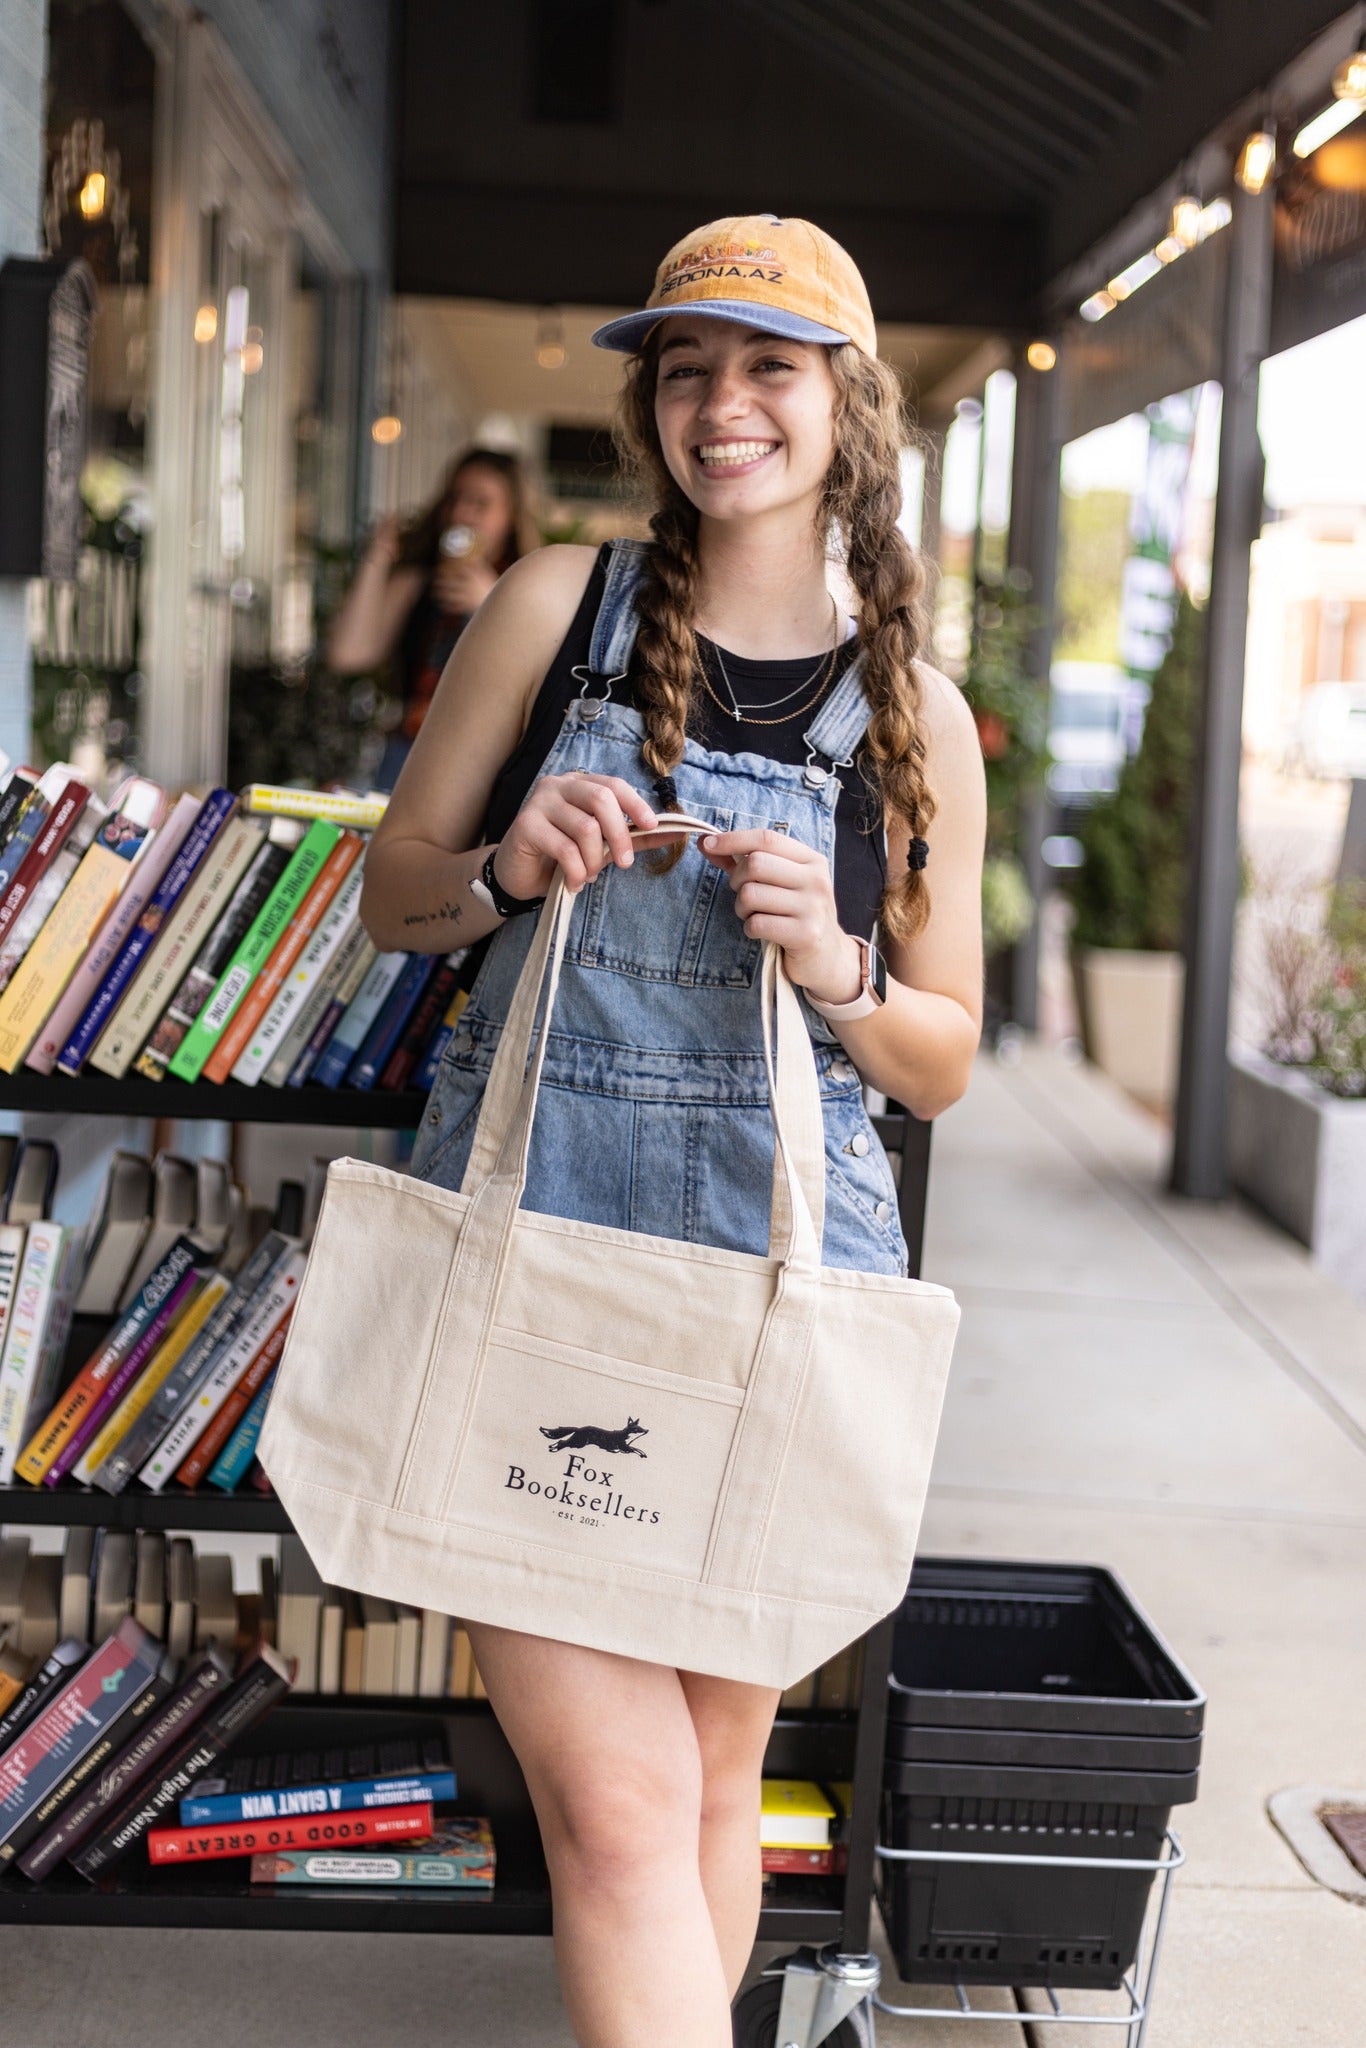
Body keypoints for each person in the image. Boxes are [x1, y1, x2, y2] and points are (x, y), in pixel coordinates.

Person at [360, 214, 985, 2046]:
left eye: (768, 367)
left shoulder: (916, 713)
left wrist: (847, 975)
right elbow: (391, 901)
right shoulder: (557, 608)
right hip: (535, 1258)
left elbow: (942, 1062)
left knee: (717, 1783)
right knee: (626, 1806)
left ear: (846, 407)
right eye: (689, 367)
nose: (722, 404)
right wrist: (498, 864)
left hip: (781, 1290)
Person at [328, 445, 534, 788]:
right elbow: (348, 655)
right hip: (408, 753)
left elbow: (539, 681)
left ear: (510, 517)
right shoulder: (416, 582)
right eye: (455, 499)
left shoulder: (526, 585)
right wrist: (377, 558)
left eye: (480, 503)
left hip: (485, 765)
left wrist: (491, 603)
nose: (462, 513)